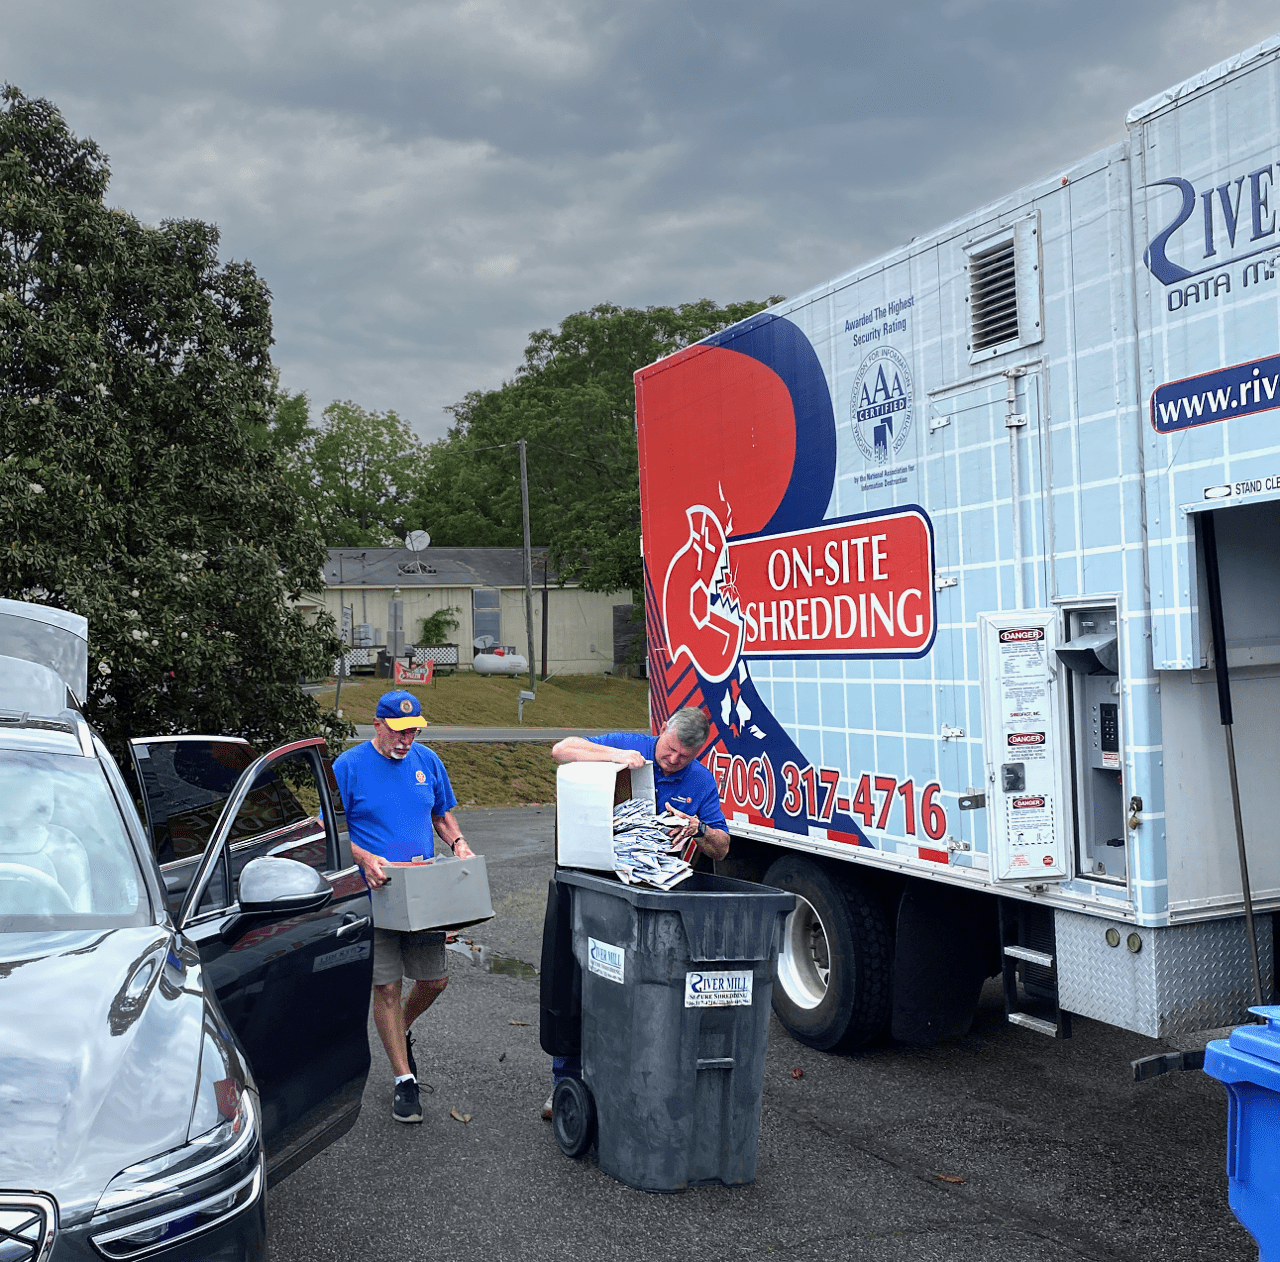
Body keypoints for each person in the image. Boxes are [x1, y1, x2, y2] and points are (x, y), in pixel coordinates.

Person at [541, 707, 730, 1117]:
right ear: (661, 732)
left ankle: (629, 1084)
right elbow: (561, 749)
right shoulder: (632, 746)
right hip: (598, 888)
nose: (673, 760)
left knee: (635, 993)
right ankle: (565, 1083)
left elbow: (722, 847)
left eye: (684, 756)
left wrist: (699, 829)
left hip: (654, 903)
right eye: (670, 749)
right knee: (577, 985)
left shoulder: (699, 781)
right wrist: (612, 758)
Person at [332, 690, 474, 1125]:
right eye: (398, 731)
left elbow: (441, 813)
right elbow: (330, 831)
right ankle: (403, 1080)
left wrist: (459, 843)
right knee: (387, 987)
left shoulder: (427, 761)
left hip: (423, 891)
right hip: (375, 894)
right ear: (376, 724)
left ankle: (398, 1028)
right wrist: (362, 857)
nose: (406, 740)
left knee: (435, 980)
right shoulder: (348, 767)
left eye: (412, 731)